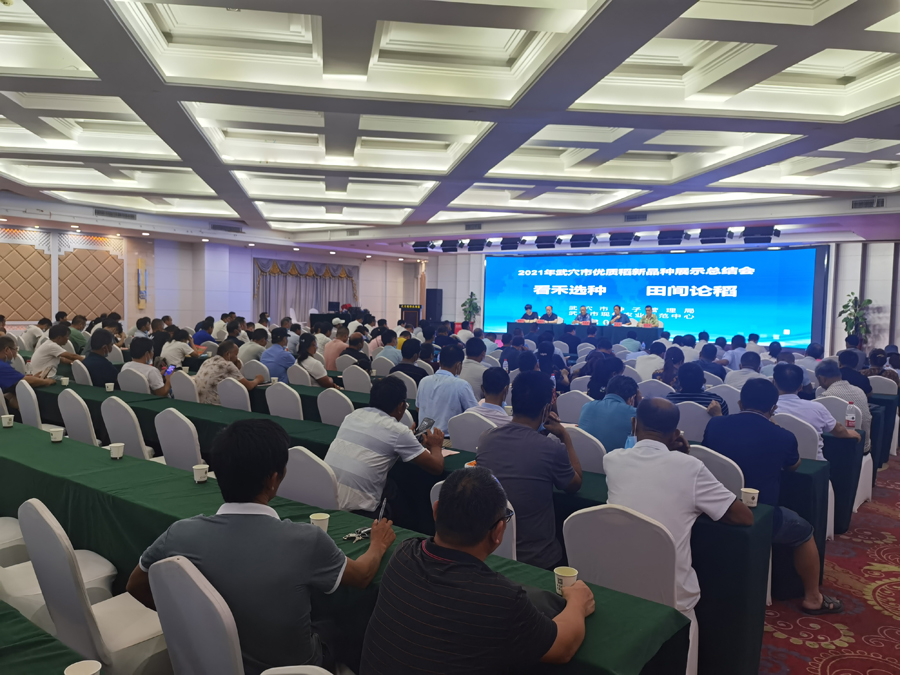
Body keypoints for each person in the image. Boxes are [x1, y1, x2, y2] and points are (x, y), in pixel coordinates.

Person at [126, 419, 395, 675]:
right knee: (338, 624)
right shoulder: (306, 540)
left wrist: (197, 623)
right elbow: (362, 576)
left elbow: (135, 585)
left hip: (218, 661)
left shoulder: (178, 534)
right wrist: (378, 544)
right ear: (273, 479)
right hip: (294, 667)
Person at [361, 466, 594, 675]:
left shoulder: (403, 553)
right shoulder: (500, 600)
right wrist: (577, 601)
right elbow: (563, 648)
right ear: (498, 532)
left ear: (436, 511)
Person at [702, 379, 843, 615]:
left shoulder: (715, 424)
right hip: (757, 515)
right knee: (804, 531)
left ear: (740, 403)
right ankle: (813, 598)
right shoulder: (783, 436)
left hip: (712, 508)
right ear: (774, 407)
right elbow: (793, 466)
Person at [605, 399, 753, 615]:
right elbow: (744, 517)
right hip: (670, 594)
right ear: (675, 434)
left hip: (615, 581)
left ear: (634, 424)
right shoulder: (690, 467)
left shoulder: (611, 459)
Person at [477, 370, 582, 569]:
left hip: (493, 549)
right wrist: (565, 437)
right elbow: (575, 484)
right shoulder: (551, 448)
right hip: (538, 558)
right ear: (546, 409)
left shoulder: (485, 439)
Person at [325, 376, 445, 516]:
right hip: (358, 510)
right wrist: (436, 446)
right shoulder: (398, 431)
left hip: (327, 498)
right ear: (400, 406)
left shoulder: (353, 416)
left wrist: (407, 439)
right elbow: (437, 468)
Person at [772, 363, 859, 460]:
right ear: (800, 387)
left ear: (774, 383)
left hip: (777, 461)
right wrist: (849, 433)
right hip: (814, 462)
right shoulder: (817, 407)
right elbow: (838, 430)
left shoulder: (766, 410)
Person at [416, 344, 479, 435]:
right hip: (445, 438)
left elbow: (418, 408)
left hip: (423, 436)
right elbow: (474, 415)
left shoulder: (424, 381)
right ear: (459, 365)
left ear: (439, 362)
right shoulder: (461, 385)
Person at [815, 359, 871, 453]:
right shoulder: (859, 391)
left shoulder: (825, 397)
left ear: (822, 379)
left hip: (840, 451)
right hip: (863, 446)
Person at [579, 375, 639, 451]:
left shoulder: (586, 406)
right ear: (632, 398)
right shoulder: (634, 413)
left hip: (583, 456)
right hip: (615, 458)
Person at [194, 340, 264, 405]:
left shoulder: (207, 361)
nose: (237, 358)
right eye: (236, 354)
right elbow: (249, 386)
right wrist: (258, 379)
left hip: (199, 401)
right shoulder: (227, 365)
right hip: (214, 404)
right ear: (227, 354)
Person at [0, 335, 55, 413]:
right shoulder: (2, 366)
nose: (16, 354)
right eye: (16, 349)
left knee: (10, 396)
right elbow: (24, 381)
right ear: (6, 350)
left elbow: (17, 379)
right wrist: (47, 381)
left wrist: (33, 378)